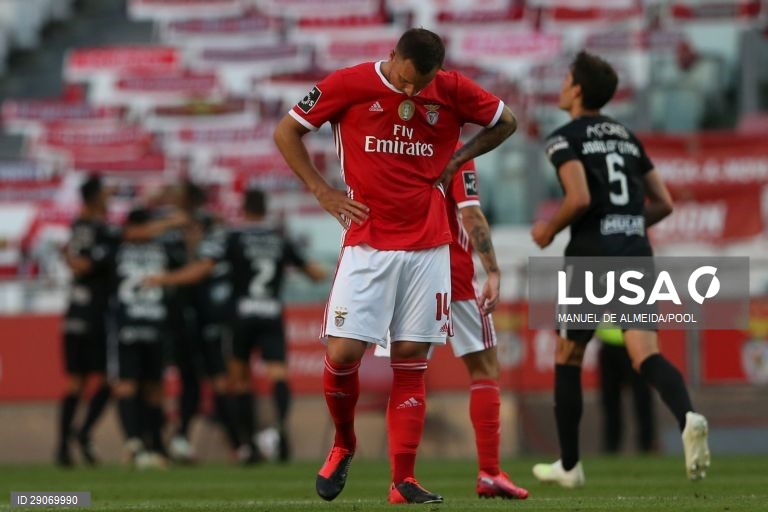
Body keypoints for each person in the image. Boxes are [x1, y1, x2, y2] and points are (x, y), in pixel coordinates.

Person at [273, 28, 517, 504]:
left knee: (411, 359)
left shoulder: (451, 89)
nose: (410, 93)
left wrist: (458, 157)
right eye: (405, 81)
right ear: (392, 57)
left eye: (419, 85)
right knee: (344, 353)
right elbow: (287, 131)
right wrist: (323, 192)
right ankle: (344, 443)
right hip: (367, 244)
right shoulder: (349, 83)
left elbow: (506, 122)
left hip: (429, 249)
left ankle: (402, 480)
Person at [530, 51, 710, 487]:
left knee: (568, 354)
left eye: (566, 78)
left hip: (591, 254)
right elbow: (664, 203)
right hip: (634, 250)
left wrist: (549, 230)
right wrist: (626, 224)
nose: (561, 86)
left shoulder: (563, 137)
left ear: (576, 89)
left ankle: (569, 466)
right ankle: (688, 416)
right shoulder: (628, 137)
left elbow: (578, 199)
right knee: (645, 354)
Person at [144, 188, 326, 463]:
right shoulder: (279, 238)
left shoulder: (234, 237)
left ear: (244, 209)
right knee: (278, 374)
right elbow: (315, 274)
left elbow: (202, 270)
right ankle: (280, 429)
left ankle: (250, 443)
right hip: (271, 312)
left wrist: (166, 279)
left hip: (240, 315)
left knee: (239, 381)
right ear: (265, 208)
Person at [444, 151, 529, 499]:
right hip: (452, 268)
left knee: (407, 368)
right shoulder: (455, 151)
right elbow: (470, 213)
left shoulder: (395, 141)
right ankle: (490, 472)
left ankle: (402, 479)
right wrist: (493, 269)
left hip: (400, 263)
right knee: (484, 366)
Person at [56, 175, 118, 466]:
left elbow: (72, 258)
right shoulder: (99, 230)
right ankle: (80, 434)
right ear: (94, 197)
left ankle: (63, 447)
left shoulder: (77, 228)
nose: (109, 196)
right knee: (106, 379)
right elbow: (83, 263)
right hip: (94, 314)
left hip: (73, 314)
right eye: (105, 192)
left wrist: (70, 259)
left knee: (75, 384)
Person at [596, 322, 657, 454]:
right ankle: (611, 447)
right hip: (608, 345)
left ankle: (647, 445)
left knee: (642, 399)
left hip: (636, 344)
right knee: (610, 400)